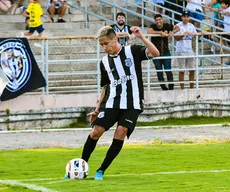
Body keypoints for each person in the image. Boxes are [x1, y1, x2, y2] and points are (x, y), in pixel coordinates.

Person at [79, 26, 159, 180]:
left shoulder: (132, 51)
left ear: (115, 39)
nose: (104, 47)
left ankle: (101, 170)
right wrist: (96, 109)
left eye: (106, 43)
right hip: (112, 102)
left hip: (132, 104)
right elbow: (104, 87)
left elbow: (155, 53)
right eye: (101, 45)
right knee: (96, 132)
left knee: (121, 131)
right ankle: (81, 166)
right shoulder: (104, 62)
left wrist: (141, 37)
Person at [147, 14, 180, 90]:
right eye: (156, 20)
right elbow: (149, 31)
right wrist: (160, 33)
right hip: (155, 54)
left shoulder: (167, 25)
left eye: (159, 19)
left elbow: (178, 27)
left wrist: (173, 32)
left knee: (168, 70)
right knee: (159, 71)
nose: (158, 21)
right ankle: (163, 88)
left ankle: (171, 88)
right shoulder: (153, 26)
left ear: (162, 19)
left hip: (166, 52)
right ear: (155, 21)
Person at [175, 11, 197, 89]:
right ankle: (182, 88)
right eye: (184, 16)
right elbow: (176, 38)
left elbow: (195, 36)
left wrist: (202, 33)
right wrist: (184, 34)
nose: (186, 18)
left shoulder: (191, 26)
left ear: (189, 17)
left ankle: (192, 87)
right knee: (182, 70)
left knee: (192, 70)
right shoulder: (178, 25)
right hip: (181, 50)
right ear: (181, 17)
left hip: (189, 50)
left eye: (187, 16)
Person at [220, 0, 230, 66]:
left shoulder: (228, 9)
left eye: (223, 4)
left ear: (227, 5)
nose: (222, 5)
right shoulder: (224, 10)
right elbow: (220, 17)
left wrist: (223, 12)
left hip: (229, 30)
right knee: (228, 46)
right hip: (225, 30)